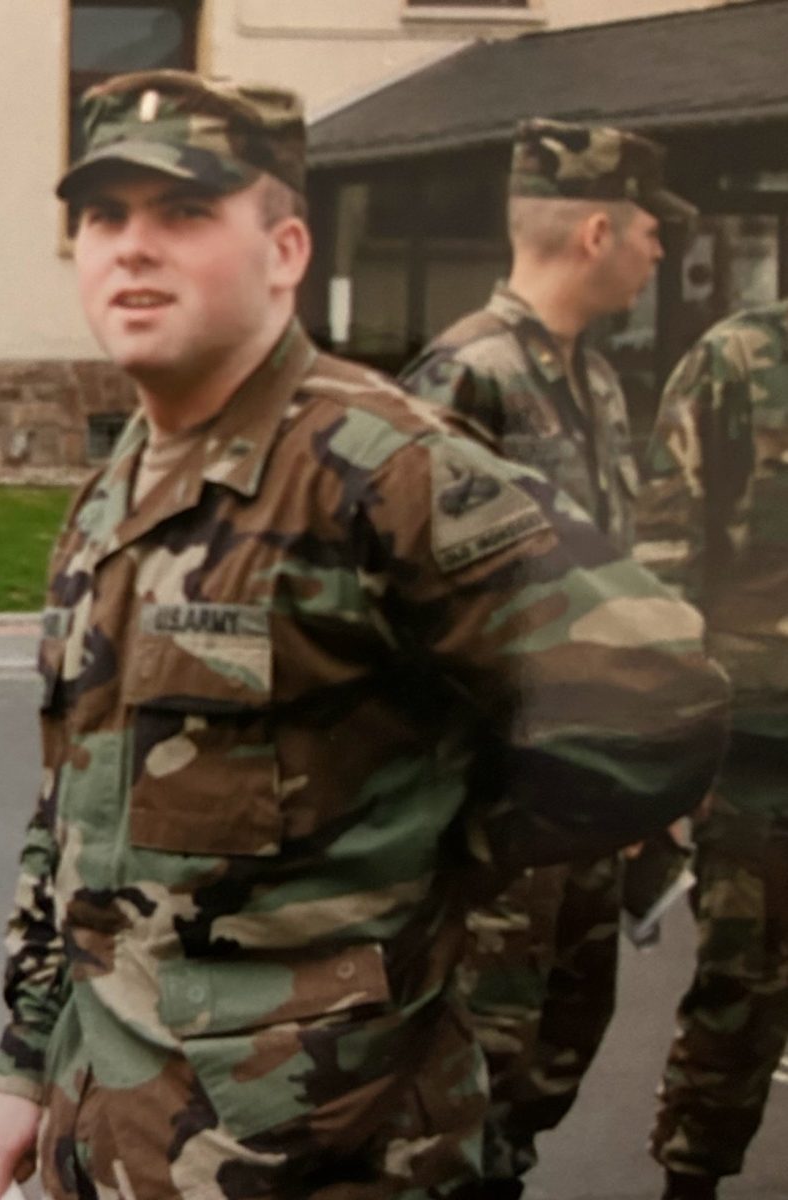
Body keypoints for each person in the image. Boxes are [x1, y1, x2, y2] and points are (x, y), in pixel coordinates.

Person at [0, 72, 728, 1200]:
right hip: (115, 1128)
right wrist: (23, 1070)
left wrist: (435, 852)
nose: (131, 249)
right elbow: (70, 814)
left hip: (328, 1146)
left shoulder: (385, 469)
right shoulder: (112, 491)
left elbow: (660, 695)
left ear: (284, 251)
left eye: (183, 215)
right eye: (104, 217)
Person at [398, 117, 696, 1199]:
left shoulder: (597, 383)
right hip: (495, 828)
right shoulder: (463, 378)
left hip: (583, 814)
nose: (663, 249)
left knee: (544, 1071)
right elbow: (409, 616)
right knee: (469, 1081)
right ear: (599, 230)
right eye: (654, 229)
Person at [635, 301, 788, 1200]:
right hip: (763, 750)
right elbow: (665, 556)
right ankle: (691, 1179)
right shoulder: (740, 359)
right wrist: (673, 745)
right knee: (743, 988)